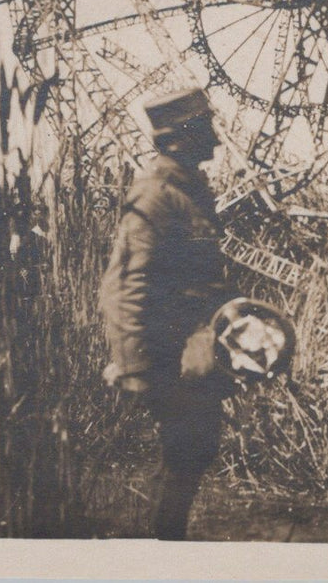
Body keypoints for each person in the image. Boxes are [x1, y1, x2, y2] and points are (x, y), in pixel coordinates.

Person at [97, 86, 234, 540]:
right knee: (184, 452)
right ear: (179, 139)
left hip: (192, 350)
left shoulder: (189, 192)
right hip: (167, 352)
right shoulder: (157, 195)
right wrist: (135, 365)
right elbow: (128, 285)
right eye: (205, 129)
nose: (215, 138)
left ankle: (164, 542)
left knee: (193, 451)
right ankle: (162, 548)